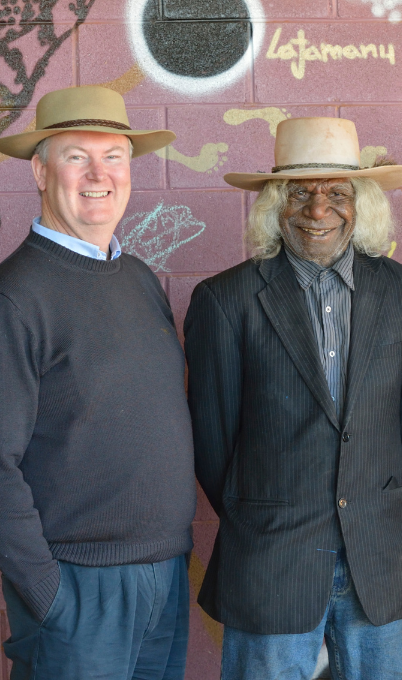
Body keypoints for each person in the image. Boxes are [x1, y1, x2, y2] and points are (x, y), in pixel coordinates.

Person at [184, 117, 402, 680]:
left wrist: (364, 495)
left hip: (379, 554)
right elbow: (213, 441)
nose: (317, 209)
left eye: (335, 193)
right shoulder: (225, 300)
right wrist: (268, 511)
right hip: (271, 558)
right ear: (275, 203)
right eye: (300, 192)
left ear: (360, 202)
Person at [0, 86, 195, 678]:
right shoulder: (17, 295)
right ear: (39, 169)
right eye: (76, 156)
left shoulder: (136, 276)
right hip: (79, 587)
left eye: (114, 156)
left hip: (165, 574)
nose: (98, 174)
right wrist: (46, 591)